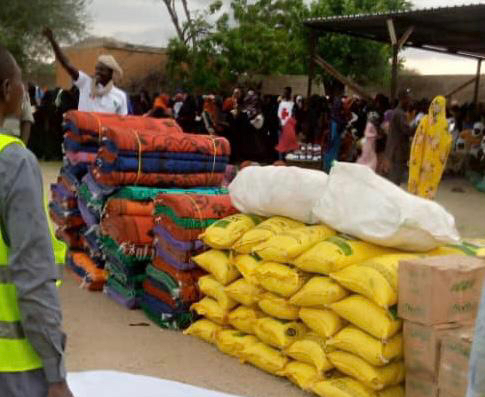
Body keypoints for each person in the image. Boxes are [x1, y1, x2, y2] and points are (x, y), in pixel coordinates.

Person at [0, 45, 72, 397]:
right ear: (6, 91)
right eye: (19, 85)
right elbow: (32, 279)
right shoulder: (14, 164)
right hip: (12, 368)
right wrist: (55, 374)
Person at [43, 28, 127, 115]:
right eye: (97, 69)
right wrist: (52, 41)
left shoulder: (120, 96)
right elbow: (66, 64)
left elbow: (122, 122)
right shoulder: (85, 83)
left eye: (102, 70)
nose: (97, 72)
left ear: (110, 73)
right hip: (82, 128)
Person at [408, 96, 451, 199]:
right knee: (418, 182)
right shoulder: (425, 120)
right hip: (422, 156)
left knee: (429, 185)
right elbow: (418, 138)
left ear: (442, 107)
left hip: (434, 160)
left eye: (438, 105)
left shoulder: (443, 123)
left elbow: (446, 142)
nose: (436, 107)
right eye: (434, 105)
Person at [383, 88, 413, 185]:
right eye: (408, 99)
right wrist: (420, 126)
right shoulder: (400, 114)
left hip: (394, 151)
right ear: (403, 99)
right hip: (398, 152)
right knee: (395, 181)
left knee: (394, 179)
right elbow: (407, 130)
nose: (410, 102)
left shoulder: (397, 112)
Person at [323, 82, 347, 172]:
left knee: (330, 157)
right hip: (337, 142)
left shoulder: (334, 120)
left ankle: (328, 170)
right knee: (335, 157)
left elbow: (332, 136)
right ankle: (333, 169)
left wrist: (328, 144)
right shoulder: (341, 118)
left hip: (333, 143)